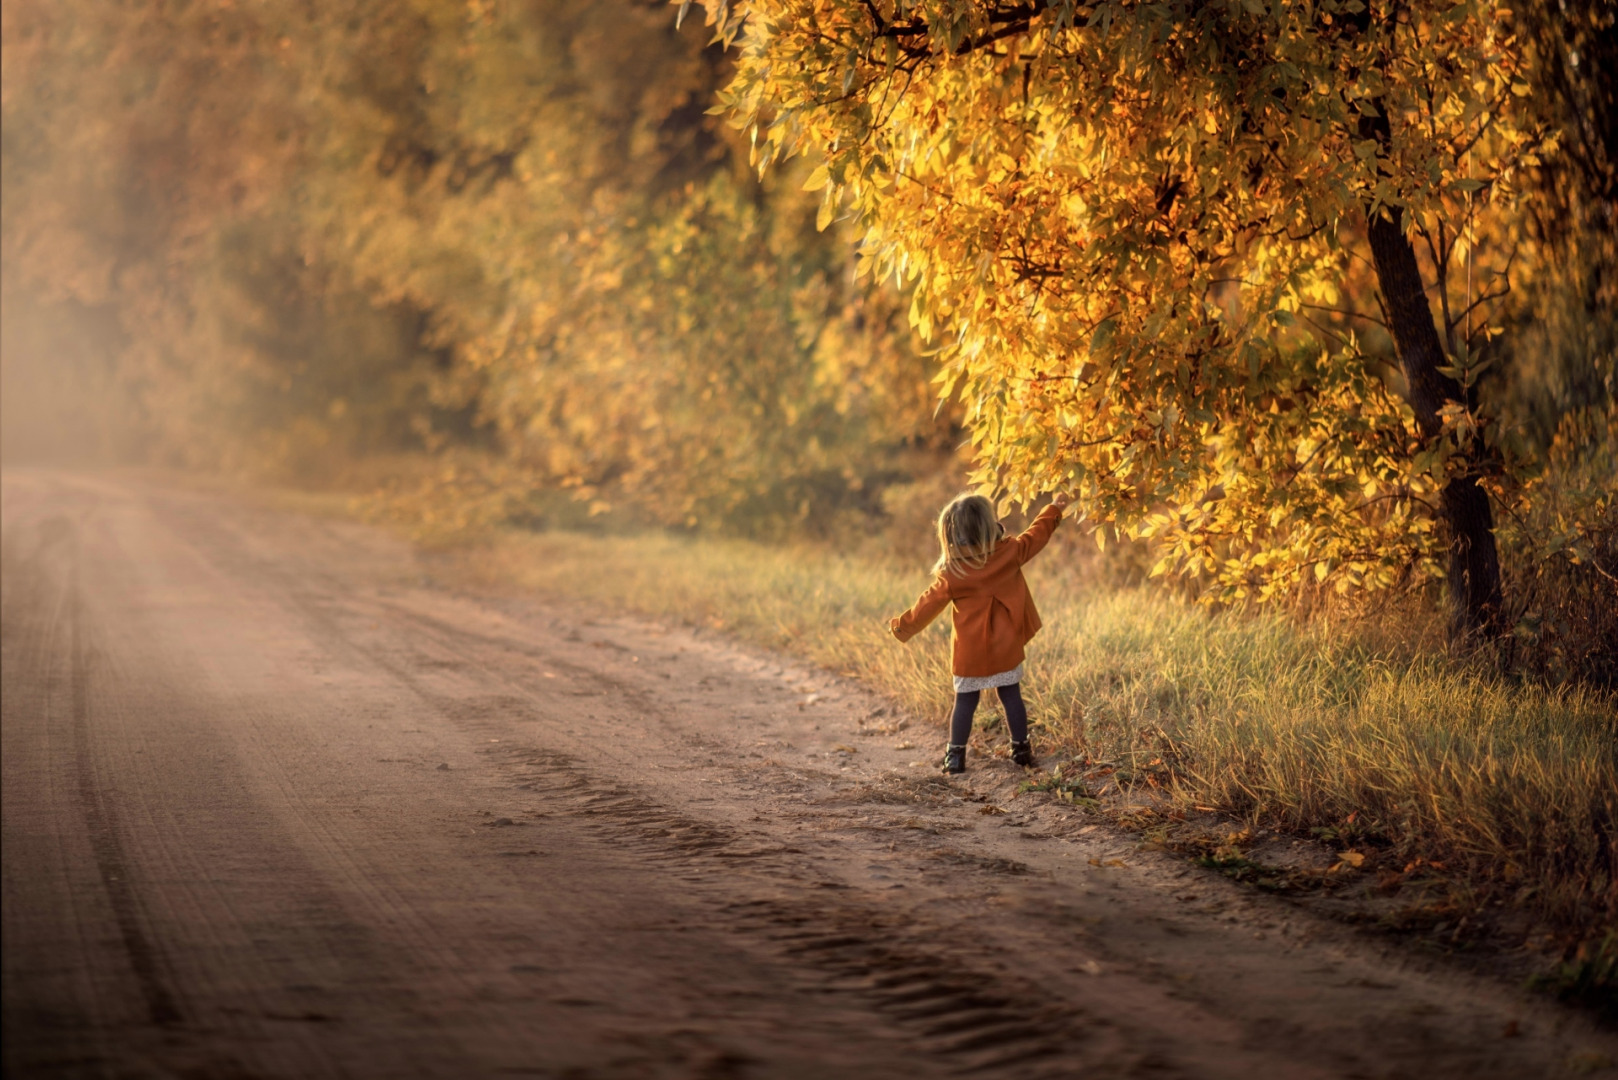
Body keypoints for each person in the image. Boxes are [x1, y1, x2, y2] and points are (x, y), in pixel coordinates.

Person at [889, 491, 1069, 774]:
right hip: (1005, 647)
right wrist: (1054, 509)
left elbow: (926, 605)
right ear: (988, 525)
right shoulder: (1009, 553)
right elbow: (1037, 535)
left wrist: (903, 626)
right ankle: (1021, 750)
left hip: (969, 653)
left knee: (965, 701)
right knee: (1011, 696)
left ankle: (956, 756)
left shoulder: (952, 572)